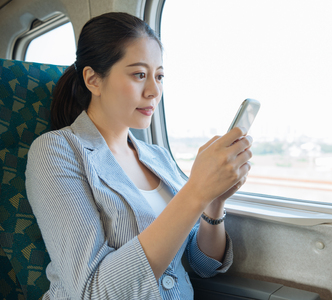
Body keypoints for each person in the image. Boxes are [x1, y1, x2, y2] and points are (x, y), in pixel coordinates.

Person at [25, 12, 252, 299]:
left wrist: (214, 201)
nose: (154, 90)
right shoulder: (56, 151)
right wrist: (196, 191)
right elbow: (93, 292)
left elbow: (201, 264)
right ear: (93, 80)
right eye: (139, 75)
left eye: (159, 76)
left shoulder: (157, 157)